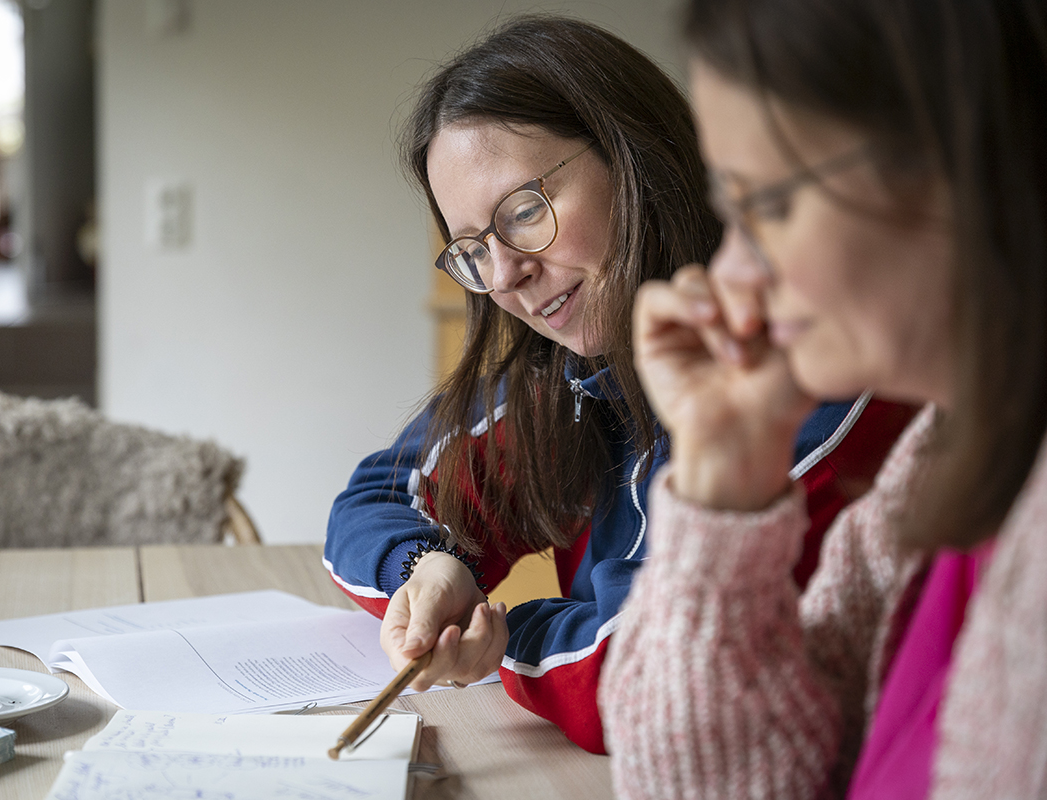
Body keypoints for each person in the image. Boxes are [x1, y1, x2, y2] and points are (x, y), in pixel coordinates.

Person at [324, 14, 915, 755]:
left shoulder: (812, 384)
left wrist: (500, 633)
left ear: (635, 153)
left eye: (526, 212)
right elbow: (374, 497)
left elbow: (650, 674)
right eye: (473, 250)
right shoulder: (571, 378)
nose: (505, 276)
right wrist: (431, 570)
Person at [600, 0, 1047, 796]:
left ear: (966, 153)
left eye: (764, 204)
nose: (731, 274)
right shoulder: (944, 448)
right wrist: (725, 463)